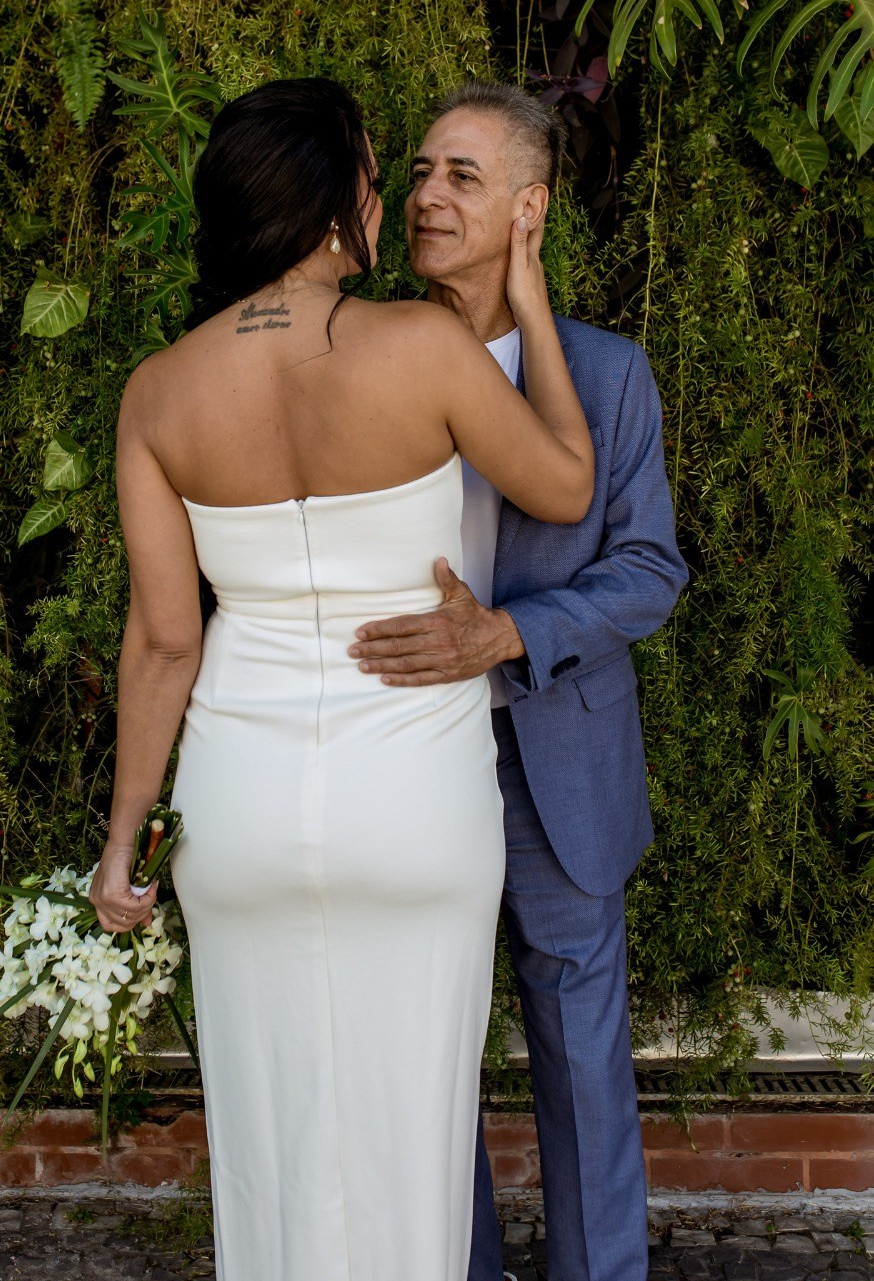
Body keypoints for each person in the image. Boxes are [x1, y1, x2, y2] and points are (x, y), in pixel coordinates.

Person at [89, 76, 595, 1281]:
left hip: (241, 808)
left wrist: (122, 845)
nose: (386, 199)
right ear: (330, 210)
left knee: (269, 1136)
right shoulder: (420, 345)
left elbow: (165, 641)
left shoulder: (159, 391)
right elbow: (567, 485)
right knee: (409, 1136)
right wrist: (530, 300)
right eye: (374, 176)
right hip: (412, 794)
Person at [348, 82, 689, 1281]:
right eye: (418, 172)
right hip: (403, 751)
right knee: (422, 1057)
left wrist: (507, 633)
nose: (427, 195)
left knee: (584, 1061)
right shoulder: (357, 356)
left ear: (529, 210)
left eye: (463, 176)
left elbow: (648, 569)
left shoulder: (607, 373)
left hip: (557, 756)